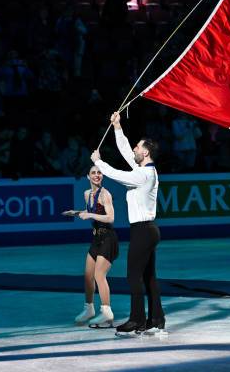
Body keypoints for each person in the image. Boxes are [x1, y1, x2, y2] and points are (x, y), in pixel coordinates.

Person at [91, 111, 165, 335]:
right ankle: (156, 319)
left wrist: (98, 163)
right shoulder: (143, 170)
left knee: (134, 276)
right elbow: (125, 153)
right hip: (147, 230)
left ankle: (137, 321)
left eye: (137, 147)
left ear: (145, 151)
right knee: (148, 277)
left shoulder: (144, 175)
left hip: (143, 231)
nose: (134, 149)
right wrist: (117, 127)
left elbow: (119, 174)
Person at [73, 165, 118, 328]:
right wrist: (78, 212)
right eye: (93, 172)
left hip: (108, 238)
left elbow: (111, 217)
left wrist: (90, 215)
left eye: (99, 173)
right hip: (96, 238)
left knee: (100, 275)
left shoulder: (106, 194)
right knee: (87, 276)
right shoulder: (87, 194)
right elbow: (90, 209)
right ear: (88, 176)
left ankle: (107, 312)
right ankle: (89, 309)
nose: (97, 175)